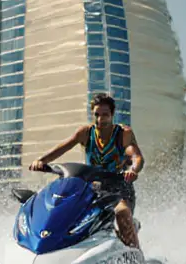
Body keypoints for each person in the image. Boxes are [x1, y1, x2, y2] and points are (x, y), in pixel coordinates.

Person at [28, 93, 144, 249]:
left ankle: (136, 256)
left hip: (119, 189)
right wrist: (42, 161)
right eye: (96, 115)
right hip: (93, 188)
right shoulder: (85, 133)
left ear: (112, 114)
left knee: (122, 212)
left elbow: (137, 157)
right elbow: (62, 147)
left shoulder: (123, 134)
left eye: (105, 115)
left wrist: (133, 170)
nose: (100, 120)